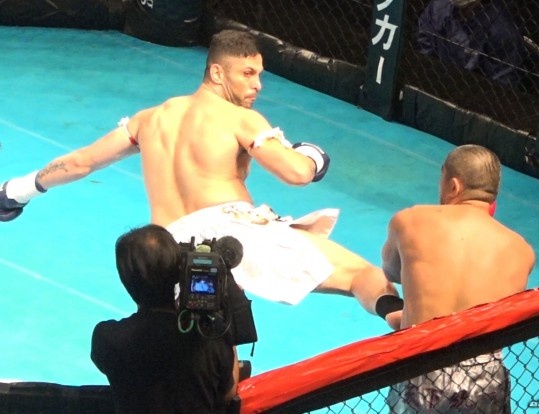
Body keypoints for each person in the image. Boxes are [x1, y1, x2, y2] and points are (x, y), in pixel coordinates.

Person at [0, 29, 401, 322]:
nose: (257, 85)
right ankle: (404, 325)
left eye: (259, 75)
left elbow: (81, 163)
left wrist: (15, 191)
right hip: (231, 236)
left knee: (200, 348)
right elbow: (296, 173)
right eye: (247, 73)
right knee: (363, 276)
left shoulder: (149, 119)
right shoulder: (239, 119)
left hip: (167, 251)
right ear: (217, 73)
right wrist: (313, 156)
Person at [382, 144, 535, 412]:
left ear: (453, 186)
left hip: (422, 360)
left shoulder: (410, 220)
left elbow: (392, 272)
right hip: (484, 372)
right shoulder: (522, 251)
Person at [91, 224, 238, 414]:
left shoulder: (106, 338)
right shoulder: (210, 337)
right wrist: (224, 326)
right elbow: (228, 394)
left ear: (125, 278)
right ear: (180, 271)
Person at [417, 0, 526, 86]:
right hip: (432, 83)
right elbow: (423, 48)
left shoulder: (503, 33)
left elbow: (499, 89)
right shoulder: (438, 6)